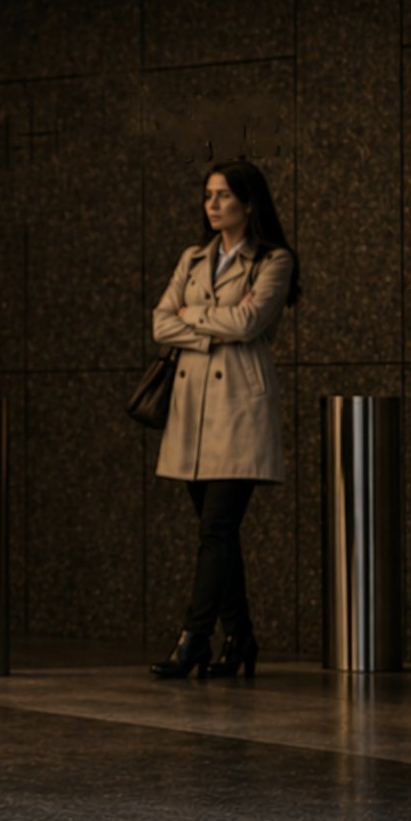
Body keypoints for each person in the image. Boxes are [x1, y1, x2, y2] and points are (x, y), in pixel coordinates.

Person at [148, 158, 299, 681]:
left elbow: (252, 320)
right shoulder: (192, 258)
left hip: (238, 410)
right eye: (208, 195)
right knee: (219, 534)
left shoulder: (274, 260)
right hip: (191, 417)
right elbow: (160, 324)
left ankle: (194, 639)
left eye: (223, 196)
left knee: (217, 527)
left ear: (249, 203)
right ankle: (241, 638)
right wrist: (212, 326)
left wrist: (193, 319)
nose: (212, 205)